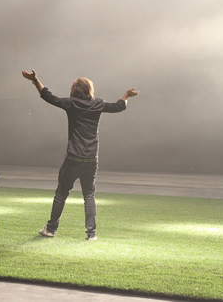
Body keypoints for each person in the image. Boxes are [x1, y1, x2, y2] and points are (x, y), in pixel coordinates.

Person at [21, 69, 139, 241]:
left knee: (61, 193)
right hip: (91, 158)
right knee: (89, 195)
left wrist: (35, 80)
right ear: (89, 90)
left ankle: (50, 229)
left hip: (73, 158)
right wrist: (126, 95)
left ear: (75, 90)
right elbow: (119, 107)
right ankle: (92, 234)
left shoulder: (71, 104)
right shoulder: (97, 104)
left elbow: (48, 96)